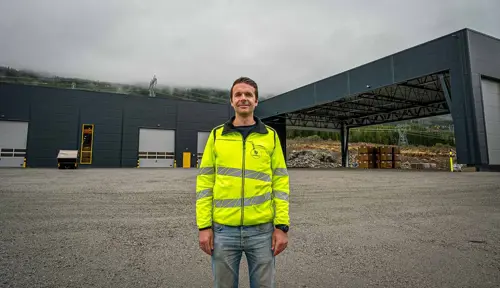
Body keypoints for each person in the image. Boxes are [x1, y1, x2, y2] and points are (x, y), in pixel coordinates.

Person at [195, 76, 290, 287]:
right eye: (238, 94)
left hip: (262, 232)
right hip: (223, 232)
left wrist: (281, 226)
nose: (243, 98)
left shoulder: (271, 137)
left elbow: (281, 184)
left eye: (249, 94)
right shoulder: (217, 136)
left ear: (256, 101)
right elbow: (204, 183)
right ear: (231, 101)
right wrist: (203, 226)